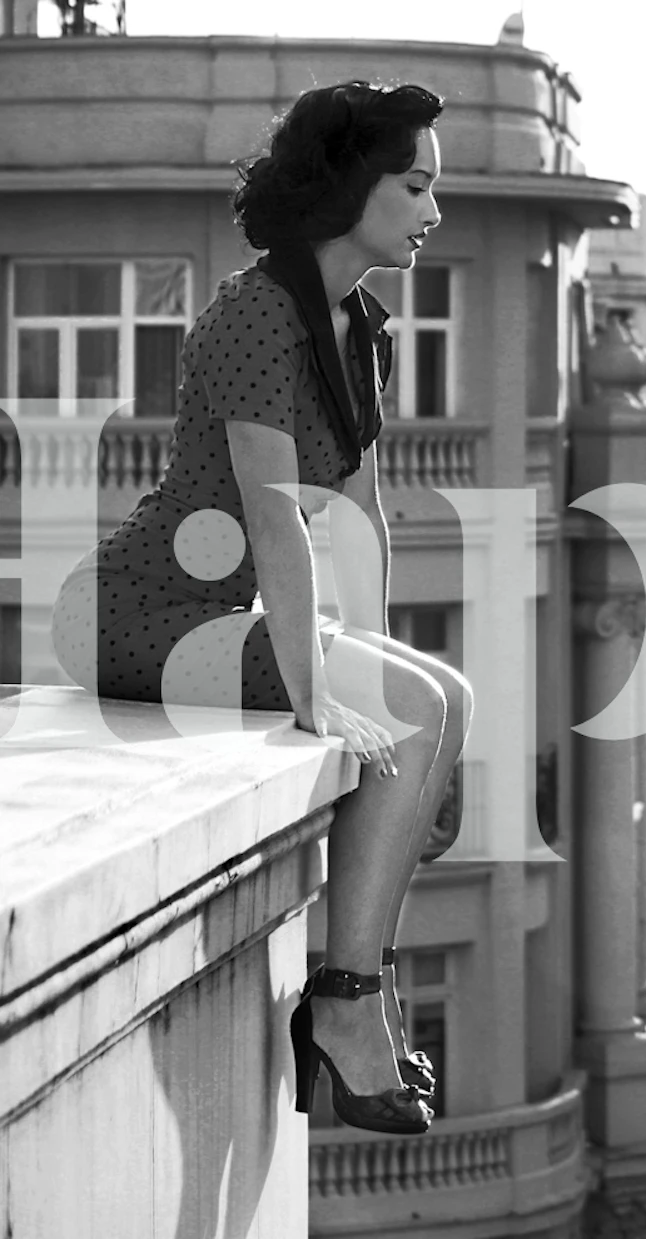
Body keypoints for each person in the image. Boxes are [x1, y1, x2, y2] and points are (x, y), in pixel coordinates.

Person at [47, 80, 467, 1136]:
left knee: (442, 695)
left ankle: (353, 995)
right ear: (346, 189)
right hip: (130, 612)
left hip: (215, 619)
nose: (431, 213)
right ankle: (348, 1009)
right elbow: (279, 520)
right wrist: (325, 693)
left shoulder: (356, 326)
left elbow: (357, 516)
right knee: (410, 716)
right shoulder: (254, 318)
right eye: (413, 186)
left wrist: (381, 677)